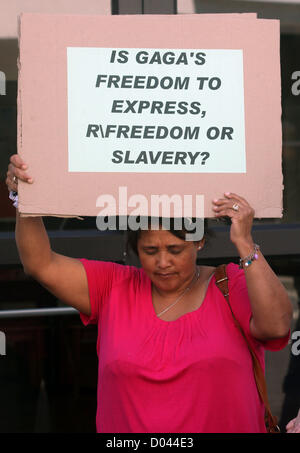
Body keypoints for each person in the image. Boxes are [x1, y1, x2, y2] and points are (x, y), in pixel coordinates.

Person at [6, 154, 293, 433]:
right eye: (150, 251)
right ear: (135, 248)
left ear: (200, 242)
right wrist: (25, 199)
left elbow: (277, 325)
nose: (163, 262)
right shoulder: (113, 287)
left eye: (175, 249)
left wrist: (244, 241)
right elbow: (40, 263)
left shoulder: (230, 283)